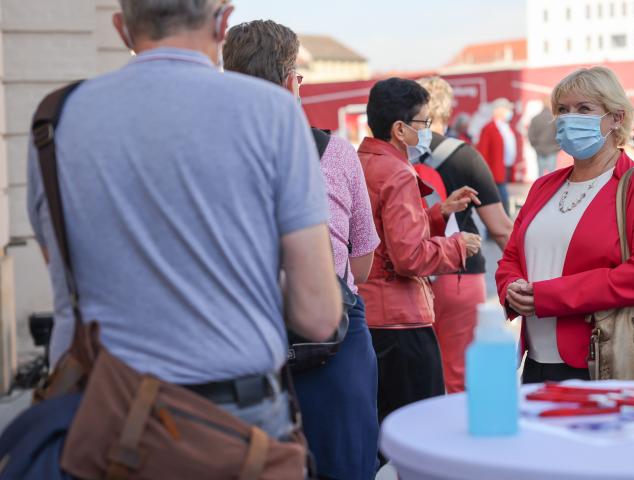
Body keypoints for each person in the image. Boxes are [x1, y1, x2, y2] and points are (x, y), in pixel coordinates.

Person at [27, 0, 341, 442]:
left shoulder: (55, 118)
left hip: (100, 416)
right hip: (234, 421)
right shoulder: (273, 112)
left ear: (121, 28)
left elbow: (67, 271)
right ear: (222, 21)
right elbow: (319, 315)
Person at [223, 20, 381, 480]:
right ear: (293, 80)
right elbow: (362, 262)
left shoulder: (207, 153)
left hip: (240, 336)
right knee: (347, 465)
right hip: (332, 339)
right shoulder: (334, 152)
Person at [496, 66, 634, 384]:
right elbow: (512, 256)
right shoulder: (543, 187)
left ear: (616, 118)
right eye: (563, 110)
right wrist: (511, 287)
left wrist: (548, 296)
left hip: (604, 359)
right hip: (535, 360)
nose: (570, 118)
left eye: (584, 108)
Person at [357, 78, 482, 426]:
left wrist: (438, 213)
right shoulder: (397, 171)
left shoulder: (362, 160)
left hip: (367, 315)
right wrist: (458, 245)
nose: (427, 131)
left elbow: (383, 236)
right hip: (400, 321)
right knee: (416, 429)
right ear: (400, 129)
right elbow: (408, 256)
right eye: (423, 123)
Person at [416, 76, 512, 393]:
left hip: (411, 276)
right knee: (460, 377)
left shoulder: (396, 155)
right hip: (460, 272)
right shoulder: (463, 155)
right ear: (447, 108)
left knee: (420, 380)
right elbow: (500, 228)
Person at [477, 98, 517, 213]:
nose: (509, 112)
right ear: (499, 110)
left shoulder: (505, 127)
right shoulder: (489, 128)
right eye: (507, 109)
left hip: (504, 171)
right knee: (501, 207)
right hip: (494, 175)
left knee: (503, 205)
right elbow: (483, 153)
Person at [528, 98, 561, 177]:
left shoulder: (535, 118)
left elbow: (530, 135)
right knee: (552, 176)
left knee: (540, 175)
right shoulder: (555, 119)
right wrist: (558, 147)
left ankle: (541, 189)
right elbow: (560, 134)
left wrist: (536, 147)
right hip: (552, 150)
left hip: (539, 150)